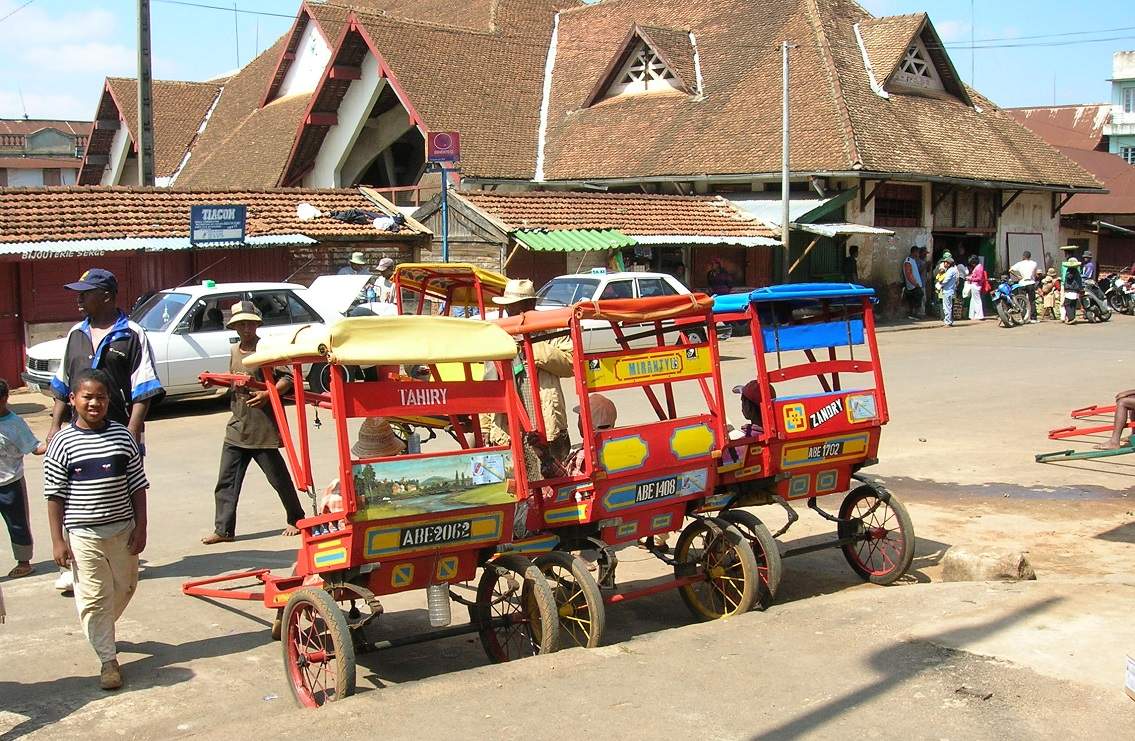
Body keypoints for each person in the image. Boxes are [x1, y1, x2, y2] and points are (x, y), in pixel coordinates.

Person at [49, 268, 162, 595]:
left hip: (118, 434)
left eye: (86, 293)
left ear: (108, 297)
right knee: (73, 495)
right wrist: (55, 425)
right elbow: (62, 383)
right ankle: (75, 562)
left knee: (123, 494)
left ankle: (125, 555)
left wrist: (130, 434)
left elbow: (145, 389)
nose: (79, 299)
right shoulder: (76, 334)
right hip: (77, 434)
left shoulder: (132, 334)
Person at [44, 368, 148, 690]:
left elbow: (137, 486)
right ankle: (108, 660)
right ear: (73, 400)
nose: (94, 403)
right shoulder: (62, 442)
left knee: (126, 586)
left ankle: (101, 629)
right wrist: (57, 541)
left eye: (101, 397)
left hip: (122, 530)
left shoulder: (122, 437)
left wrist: (141, 526)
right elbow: (54, 495)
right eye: (87, 397)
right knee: (95, 597)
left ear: (109, 400)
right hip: (83, 533)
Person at [202, 301, 306, 545]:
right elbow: (235, 382)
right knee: (226, 481)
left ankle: (296, 518)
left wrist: (268, 394)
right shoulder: (234, 351)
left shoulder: (266, 349)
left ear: (257, 324)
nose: (245, 328)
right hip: (238, 424)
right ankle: (224, 530)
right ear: (235, 327)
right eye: (240, 324)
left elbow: (287, 378)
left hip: (263, 428)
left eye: (249, 323)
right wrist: (214, 382)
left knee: (278, 478)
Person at [482, 279, 574, 485]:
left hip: (547, 424)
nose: (509, 313)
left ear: (529, 307)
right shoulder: (499, 337)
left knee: (554, 484)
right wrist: (486, 428)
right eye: (507, 308)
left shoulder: (550, 330)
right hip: (510, 428)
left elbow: (570, 363)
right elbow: (488, 386)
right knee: (518, 486)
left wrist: (531, 346)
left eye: (513, 308)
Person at [1, 379, 46, 578]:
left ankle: (24, 562)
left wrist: (54, 442)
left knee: (17, 523)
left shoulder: (14, 424)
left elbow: (34, 448)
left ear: (4, 399)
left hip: (10, 483)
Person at [1009, 250, 1039, 323]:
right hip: (1031, 283)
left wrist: (1018, 276)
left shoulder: (1020, 264)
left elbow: (1010, 270)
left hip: (1022, 283)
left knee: (1022, 301)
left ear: (1023, 256)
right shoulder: (1034, 263)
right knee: (1032, 301)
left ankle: (1022, 317)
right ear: (1030, 256)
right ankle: (1033, 318)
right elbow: (1034, 273)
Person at [936, 255, 959, 327]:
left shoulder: (950, 271)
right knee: (948, 306)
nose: (944, 264)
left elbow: (945, 280)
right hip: (950, 290)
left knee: (946, 307)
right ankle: (949, 321)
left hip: (947, 290)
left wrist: (940, 284)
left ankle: (948, 321)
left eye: (945, 263)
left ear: (949, 264)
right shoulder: (953, 270)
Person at [901, 246, 923, 319]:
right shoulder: (908, 261)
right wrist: (915, 284)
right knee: (915, 300)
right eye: (917, 252)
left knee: (916, 300)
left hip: (915, 285)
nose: (918, 254)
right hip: (913, 286)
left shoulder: (913, 260)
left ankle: (914, 314)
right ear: (914, 252)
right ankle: (913, 314)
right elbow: (908, 273)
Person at [1062, 258, 1083, 325]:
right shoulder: (1077, 271)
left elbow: (1069, 277)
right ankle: (1072, 317)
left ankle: (1071, 318)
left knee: (1067, 304)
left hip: (1070, 289)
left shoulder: (1070, 271)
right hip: (1076, 290)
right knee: (1073, 305)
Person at [965, 255, 986, 321]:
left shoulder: (979, 267)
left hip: (976, 285)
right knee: (973, 300)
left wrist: (970, 278)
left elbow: (979, 278)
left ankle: (980, 315)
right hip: (975, 285)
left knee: (977, 300)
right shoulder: (978, 267)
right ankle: (972, 315)